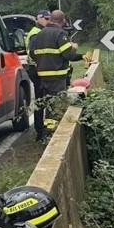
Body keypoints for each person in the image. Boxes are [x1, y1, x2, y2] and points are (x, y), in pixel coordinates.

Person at [29, 10, 84, 142]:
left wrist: (44, 62)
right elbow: (68, 55)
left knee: (47, 105)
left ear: (50, 20)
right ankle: (52, 136)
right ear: (63, 21)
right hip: (57, 77)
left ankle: (45, 134)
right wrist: (77, 51)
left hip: (42, 77)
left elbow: (32, 54)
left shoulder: (39, 34)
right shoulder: (60, 34)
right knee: (57, 107)